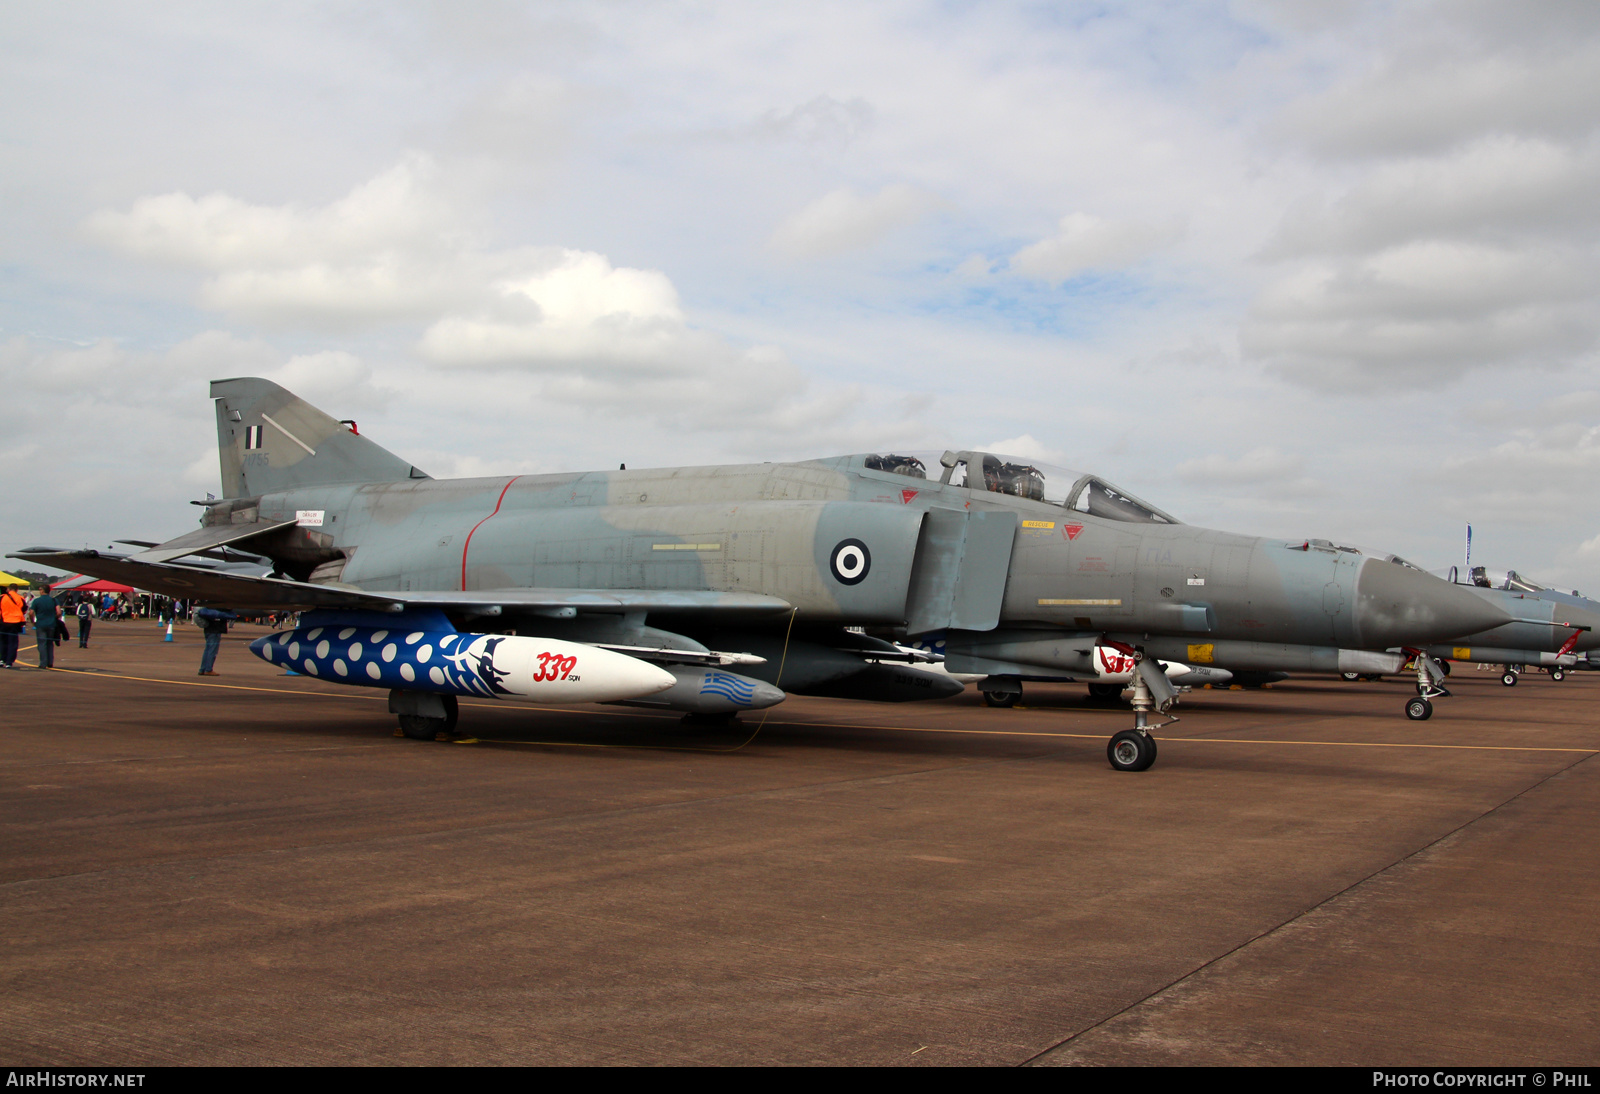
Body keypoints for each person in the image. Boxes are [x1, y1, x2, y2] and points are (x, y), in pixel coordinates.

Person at [195, 605, 238, 676]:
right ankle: (208, 669)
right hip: (215, 629)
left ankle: (202, 669)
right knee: (212, 650)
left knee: (208, 649)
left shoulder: (209, 608)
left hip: (208, 628)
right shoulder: (217, 609)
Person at [27, 588, 62, 669]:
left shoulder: (36, 601)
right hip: (51, 624)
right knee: (50, 643)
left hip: (41, 624)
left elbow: (31, 613)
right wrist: (55, 618)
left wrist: (33, 621)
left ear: (42, 591)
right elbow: (59, 612)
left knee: (42, 644)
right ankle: (50, 662)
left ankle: (43, 663)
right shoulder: (54, 600)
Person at [0, 584, 25, 668]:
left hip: (4, 621)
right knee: (13, 642)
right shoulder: (20, 598)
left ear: (8, 589)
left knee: (3, 641)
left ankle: (2, 659)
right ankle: (9, 662)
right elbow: (24, 609)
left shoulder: (2, 597)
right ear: (17, 590)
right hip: (15, 622)